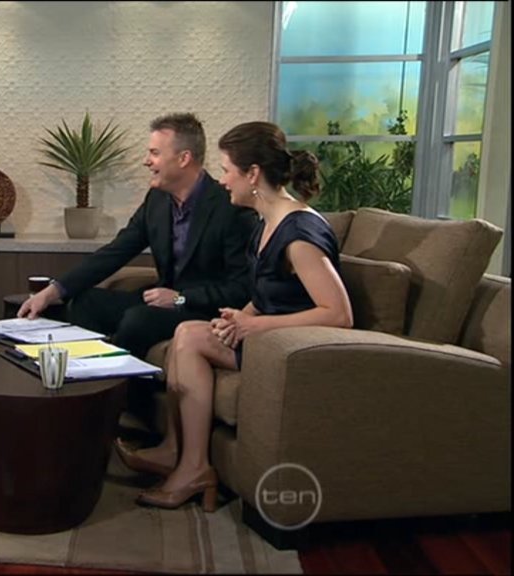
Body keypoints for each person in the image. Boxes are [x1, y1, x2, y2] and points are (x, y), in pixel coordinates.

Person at [116, 121, 353, 512]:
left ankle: (193, 468)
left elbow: (339, 314)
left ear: (253, 174)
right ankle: (177, 451)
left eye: (227, 170)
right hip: (269, 337)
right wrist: (238, 318)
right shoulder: (267, 224)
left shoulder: (299, 233)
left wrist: (254, 325)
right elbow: (269, 292)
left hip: (292, 348)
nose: (223, 180)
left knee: (190, 337)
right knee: (189, 331)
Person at [18, 113, 257, 360]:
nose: (147, 161)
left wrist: (181, 299)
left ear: (184, 158)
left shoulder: (230, 207)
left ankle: (118, 381)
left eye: (155, 153)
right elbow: (116, 251)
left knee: (138, 320)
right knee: (86, 302)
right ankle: (84, 372)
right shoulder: (157, 200)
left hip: (203, 309)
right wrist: (53, 291)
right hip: (162, 302)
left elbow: (241, 289)